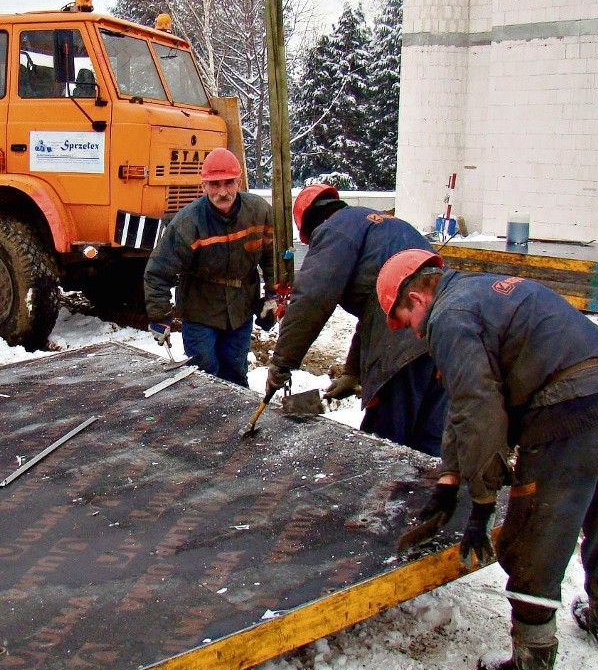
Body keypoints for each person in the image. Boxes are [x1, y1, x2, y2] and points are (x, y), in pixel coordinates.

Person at [376, 249, 598, 670]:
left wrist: (481, 503)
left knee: (536, 530)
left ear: (417, 298)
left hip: (567, 408)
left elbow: (480, 411)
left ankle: (531, 669)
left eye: (405, 320)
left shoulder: (449, 319)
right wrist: (448, 481)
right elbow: (464, 408)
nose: (414, 334)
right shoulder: (479, 292)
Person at [265, 185, 447, 454]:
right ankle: (434, 495)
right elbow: (373, 313)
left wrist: (281, 362)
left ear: (309, 228)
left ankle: (382, 496)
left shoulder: (333, 231)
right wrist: (352, 373)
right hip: (447, 334)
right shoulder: (383, 225)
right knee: (429, 442)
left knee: (384, 445)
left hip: (404, 343)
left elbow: (312, 299)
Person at [144, 147, 274, 387]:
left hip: (241, 307)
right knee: (204, 372)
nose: (222, 192)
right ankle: (204, 421)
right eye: (214, 185)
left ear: (239, 182)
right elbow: (158, 271)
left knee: (235, 371)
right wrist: (159, 315)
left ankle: (237, 420)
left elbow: (272, 257)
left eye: (229, 183)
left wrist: (273, 295)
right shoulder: (188, 223)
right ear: (203, 186)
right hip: (200, 308)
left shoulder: (259, 212)